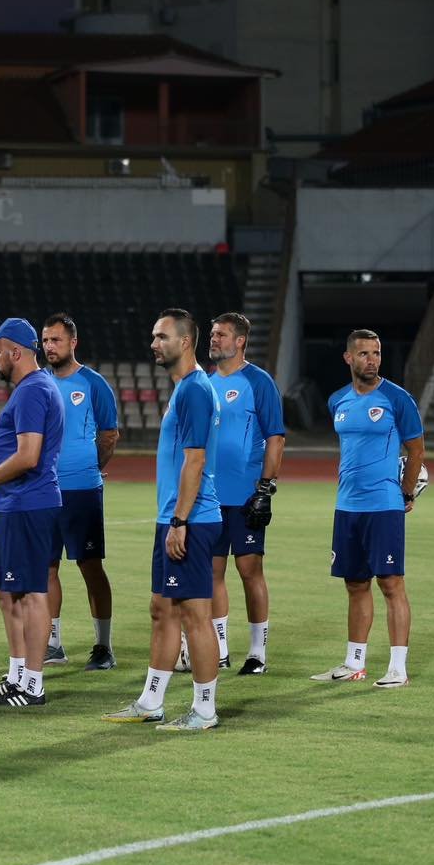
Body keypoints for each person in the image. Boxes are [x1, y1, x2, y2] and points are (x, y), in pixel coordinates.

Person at [104, 308, 224, 731]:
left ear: (185, 341)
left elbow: (195, 460)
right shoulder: (186, 388)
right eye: (153, 336)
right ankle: (151, 700)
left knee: (195, 613)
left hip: (189, 518)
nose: (154, 343)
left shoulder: (193, 390)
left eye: (162, 337)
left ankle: (205, 709)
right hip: (175, 516)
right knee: (163, 608)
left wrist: (179, 521)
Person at [0, 319, 65, 707]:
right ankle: (17, 674)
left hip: (29, 505)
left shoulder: (34, 391)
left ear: (15, 352)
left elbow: (28, 456)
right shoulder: (32, 389)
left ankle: (33, 684)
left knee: (32, 593)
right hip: (15, 504)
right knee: (5, 590)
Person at [311, 330, 424, 689]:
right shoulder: (337, 401)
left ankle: (397, 668)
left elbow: (416, 451)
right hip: (347, 507)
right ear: (348, 358)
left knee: (391, 584)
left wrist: (406, 495)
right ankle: (353, 662)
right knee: (355, 584)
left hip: (384, 507)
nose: (372, 359)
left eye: (376, 353)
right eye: (364, 354)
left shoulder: (397, 398)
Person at [207, 313, 286, 675]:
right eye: (212, 334)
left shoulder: (259, 381)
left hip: (245, 495)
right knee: (212, 571)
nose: (214, 339)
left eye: (221, 334)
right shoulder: (205, 383)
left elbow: (276, 437)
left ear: (240, 341)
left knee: (249, 569)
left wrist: (265, 489)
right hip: (209, 495)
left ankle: (257, 653)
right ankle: (219, 649)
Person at [40, 313, 118, 671]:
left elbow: (109, 434)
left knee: (90, 566)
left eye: (56, 340)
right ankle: (53, 643)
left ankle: (103, 646)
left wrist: (90, 466)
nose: (49, 347)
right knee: (47, 566)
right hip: (45, 489)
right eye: (45, 341)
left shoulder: (93, 383)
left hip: (82, 490)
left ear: (73, 342)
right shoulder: (39, 383)